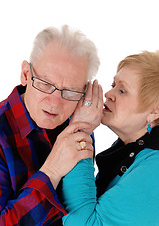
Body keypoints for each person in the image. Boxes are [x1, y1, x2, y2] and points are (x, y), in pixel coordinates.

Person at [0, 25, 103, 225]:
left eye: (71, 91)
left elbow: (80, 210)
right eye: (45, 84)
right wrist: (52, 171)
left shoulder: (77, 124)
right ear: (25, 74)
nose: (54, 103)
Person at [61, 50, 159, 226]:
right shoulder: (134, 149)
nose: (108, 94)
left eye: (122, 90)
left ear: (155, 111)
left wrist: (80, 131)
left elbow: (88, 224)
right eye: (113, 85)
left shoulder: (155, 168)